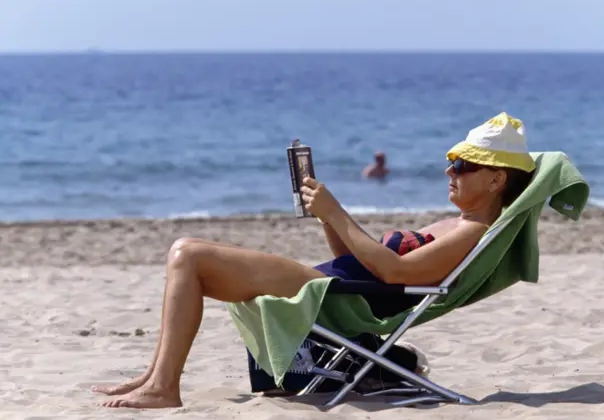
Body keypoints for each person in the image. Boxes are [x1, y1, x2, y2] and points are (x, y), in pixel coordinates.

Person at [92, 112, 537, 409]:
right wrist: (328, 219)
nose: (449, 172)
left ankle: (164, 386)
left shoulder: (471, 231)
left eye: (462, 166)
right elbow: (358, 259)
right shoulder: (451, 223)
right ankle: (155, 377)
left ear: (497, 179)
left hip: (344, 302)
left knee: (188, 253)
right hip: (339, 286)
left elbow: (396, 274)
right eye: (452, 162)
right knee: (185, 258)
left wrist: (336, 212)